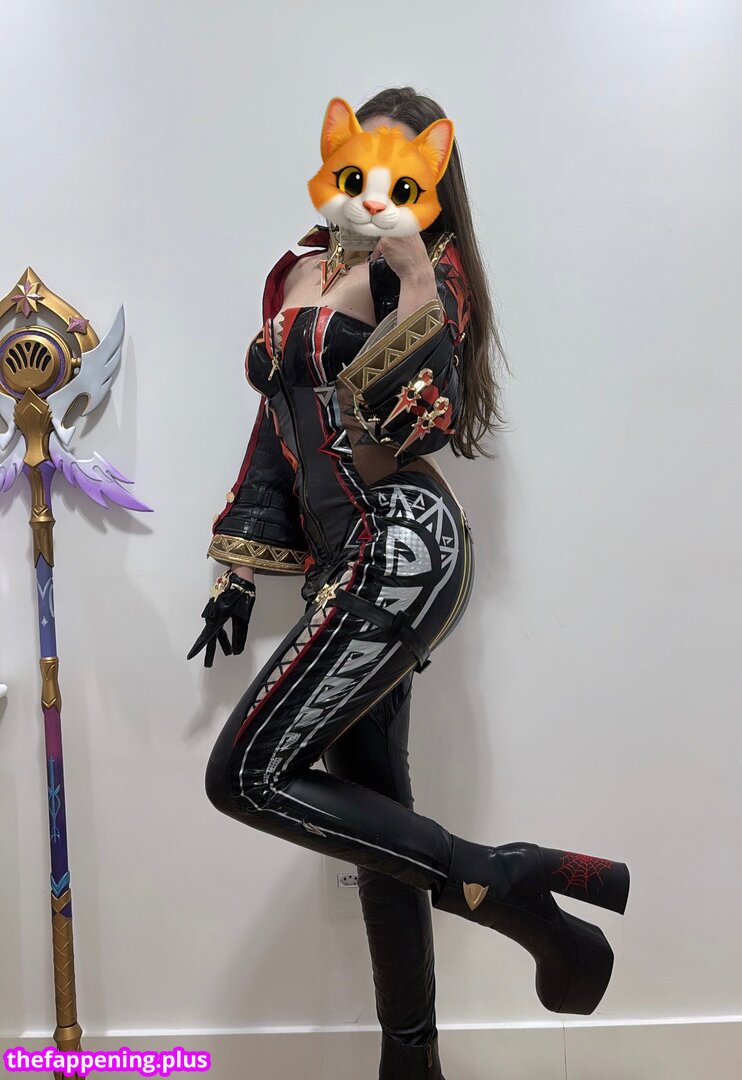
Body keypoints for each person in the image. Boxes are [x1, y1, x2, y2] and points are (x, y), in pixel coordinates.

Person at [190, 87, 630, 1080]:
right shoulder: (298, 269)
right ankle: (412, 1062)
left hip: (402, 544)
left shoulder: (426, 272)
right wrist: (236, 567)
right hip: (338, 562)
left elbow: (422, 422)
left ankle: (507, 882)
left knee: (243, 776)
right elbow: (273, 430)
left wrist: (420, 280)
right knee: (373, 823)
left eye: (399, 171)